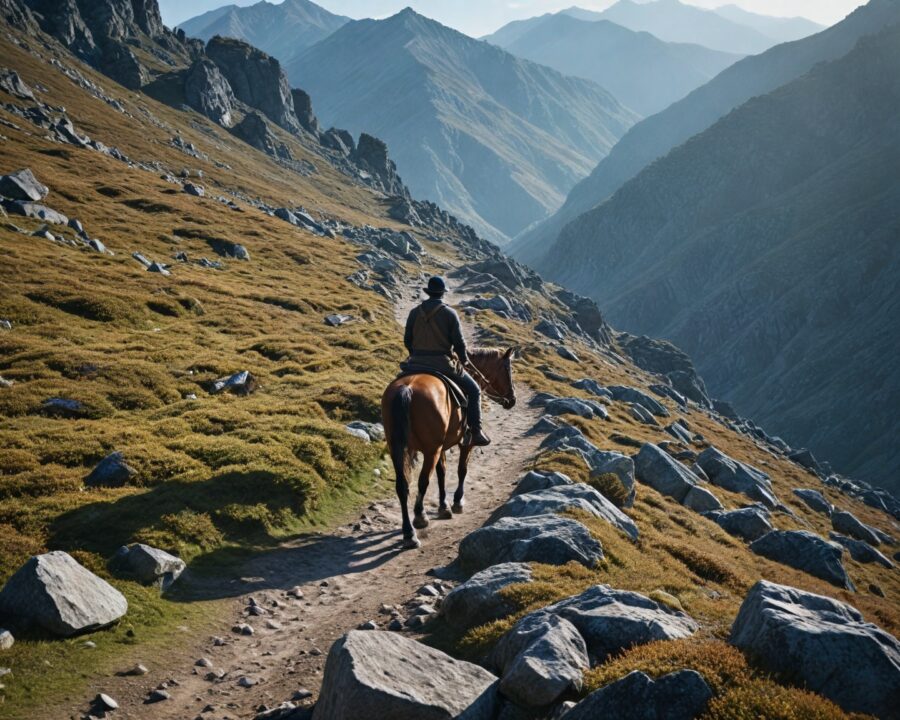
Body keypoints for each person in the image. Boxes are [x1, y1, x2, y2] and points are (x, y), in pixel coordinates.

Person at [403, 276, 491, 446]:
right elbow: (459, 343)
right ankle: (476, 431)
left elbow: (407, 340)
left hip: (415, 362)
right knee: (474, 391)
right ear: (442, 294)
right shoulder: (450, 313)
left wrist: (415, 354)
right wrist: (464, 360)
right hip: (442, 363)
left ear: (428, 293)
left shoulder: (414, 312)